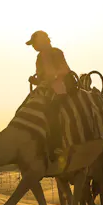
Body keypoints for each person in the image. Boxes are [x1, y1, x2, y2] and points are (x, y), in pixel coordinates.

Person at [26, 30, 75, 162]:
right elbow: (42, 78)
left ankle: (57, 145)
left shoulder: (56, 53)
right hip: (47, 89)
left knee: (52, 109)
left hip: (61, 87)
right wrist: (36, 81)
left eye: (34, 43)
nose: (33, 47)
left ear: (41, 41)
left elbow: (65, 70)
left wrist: (52, 78)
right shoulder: (39, 58)